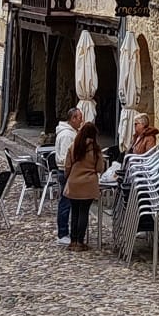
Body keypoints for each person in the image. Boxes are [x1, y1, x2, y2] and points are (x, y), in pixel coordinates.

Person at [63, 120, 103, 250]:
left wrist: (68, 177)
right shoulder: (95, 150)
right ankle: (80, 241)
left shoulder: (73, 147)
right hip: (88, 183)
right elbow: (99, 168)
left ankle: (73, 240)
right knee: (83, 212)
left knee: (74, 211)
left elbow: (67, 165)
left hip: (74, 182)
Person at [53, 106, 83, 246]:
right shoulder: (67, 135)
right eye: (79, 119)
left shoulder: (72, 133)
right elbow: (66, 158)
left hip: (67, 171)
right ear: (73, 119)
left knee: (67, 202)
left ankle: (66, 232)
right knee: (65, 203)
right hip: (66, 172)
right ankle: (63, 233)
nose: (81, 122)